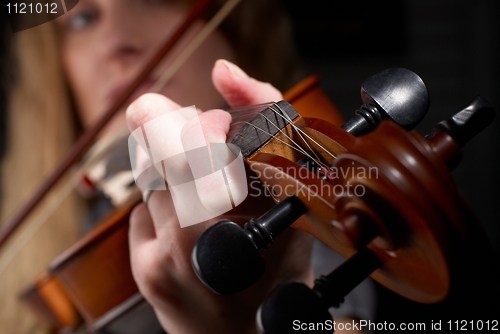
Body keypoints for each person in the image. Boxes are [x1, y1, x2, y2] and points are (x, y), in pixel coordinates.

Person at [0, 0, 374, 332]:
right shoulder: (78, 240)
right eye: (82, 18)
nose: (117, 40)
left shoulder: (288, 203)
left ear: (237, 29)